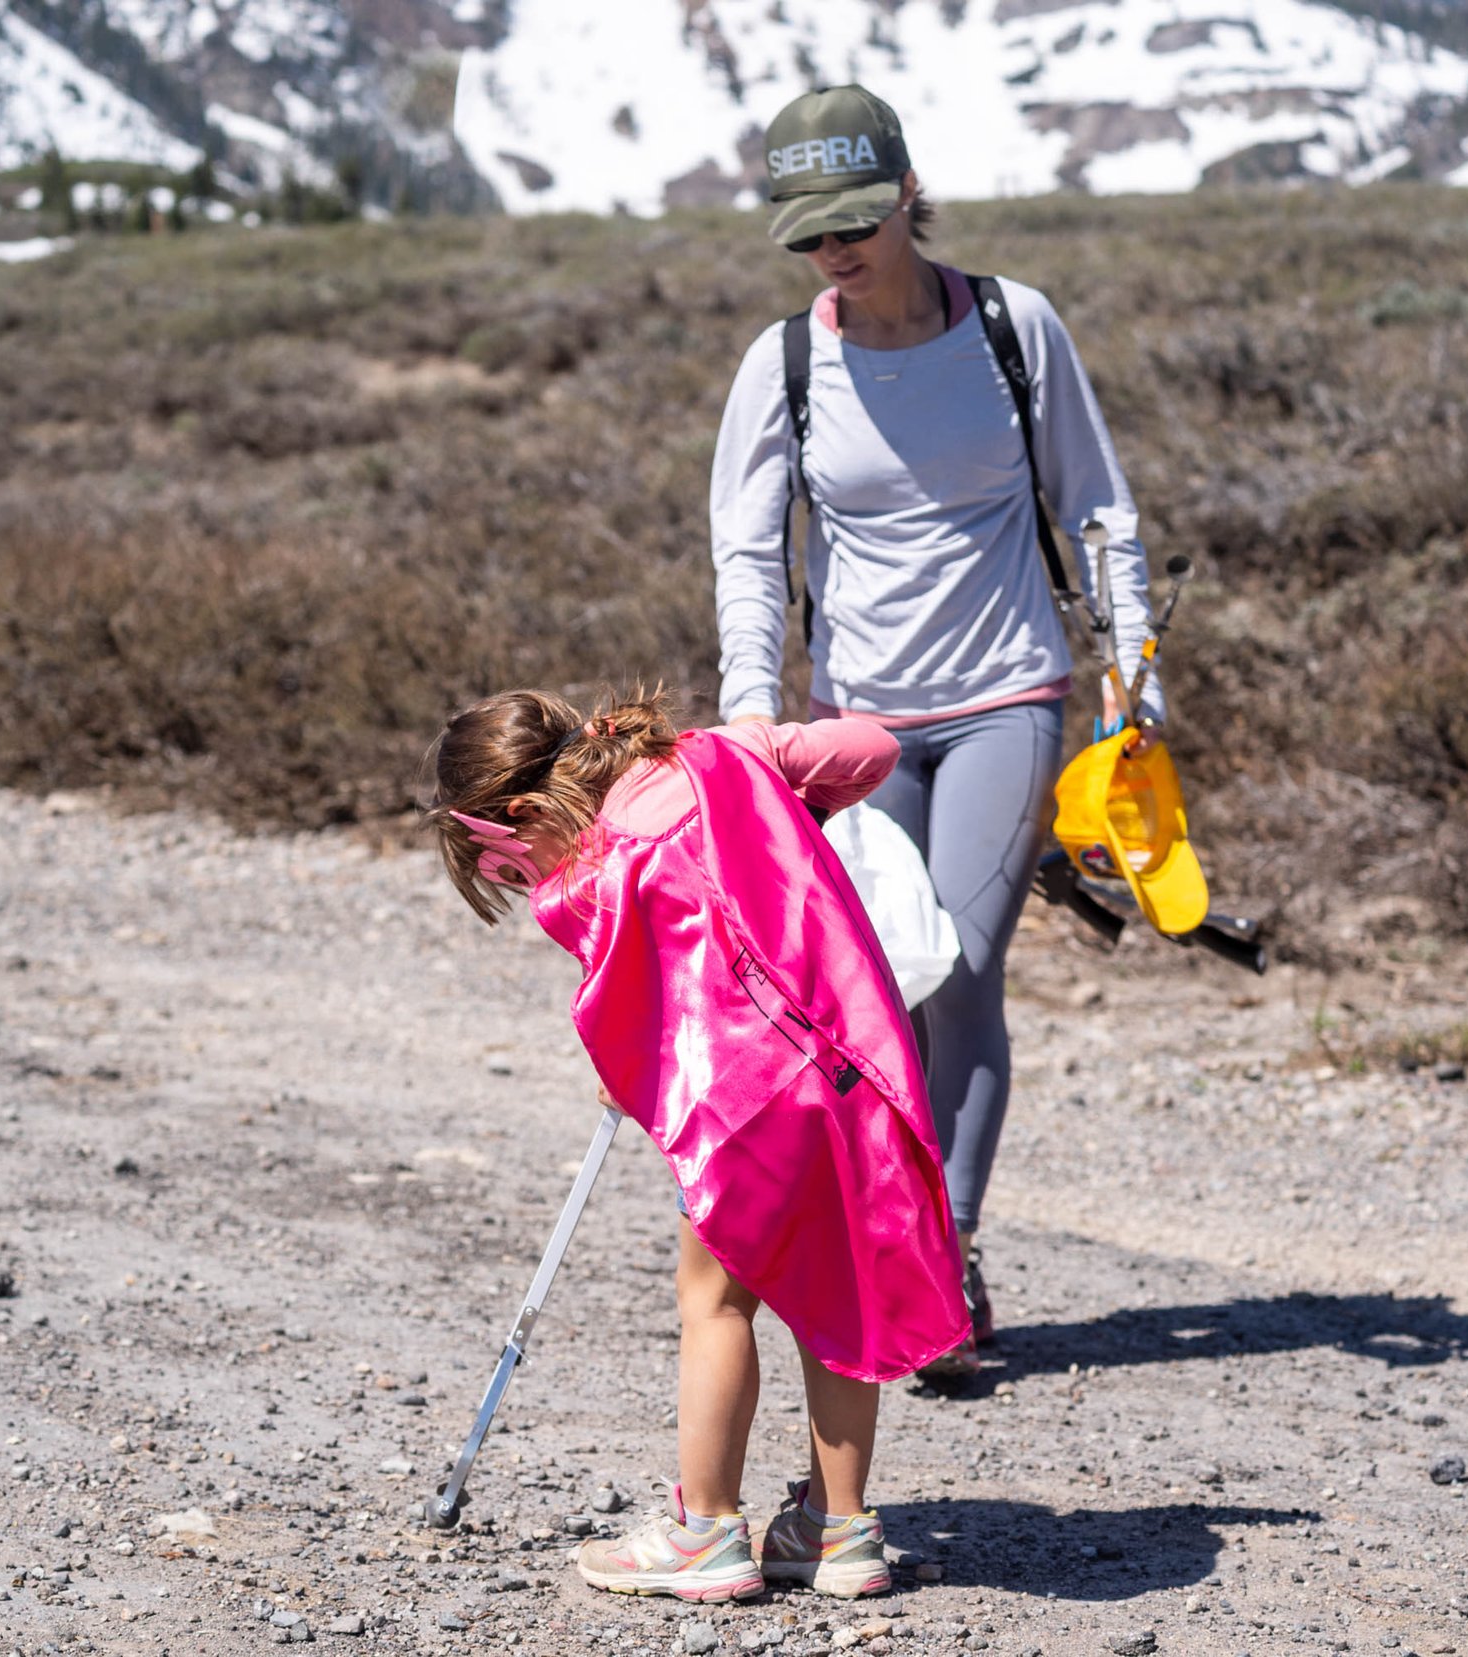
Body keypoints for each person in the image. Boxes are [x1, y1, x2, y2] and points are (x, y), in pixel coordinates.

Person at [711, 85, 1170, 1380]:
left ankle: (943, 1254)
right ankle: (897, 1240)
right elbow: (748, 551)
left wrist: (1132, 671)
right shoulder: (783, 366)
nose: (833, 251)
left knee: (960, 965)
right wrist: (752, 712)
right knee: (876, 988)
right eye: (809, 233)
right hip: (852, 725)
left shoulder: (1017, 329)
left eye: (854, 221)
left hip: (1006, 697)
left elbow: (1098, 508)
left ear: (907, 192)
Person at [427, 688, 968, 1603]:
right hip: (846, 1068)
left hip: (743, 1106)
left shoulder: (599, 868)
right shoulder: (723, 759)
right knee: (838, 1294)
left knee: (716, 1301)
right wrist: (784, 780)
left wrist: (627, 1059)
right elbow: (873, 748)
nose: (526, 880)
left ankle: (707, 1529)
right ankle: (839, 1530)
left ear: (521, 812)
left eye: (506, 861)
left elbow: (658, 999)